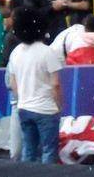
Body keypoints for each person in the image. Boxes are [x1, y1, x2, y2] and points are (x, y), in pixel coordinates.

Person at [7, 11, 66, 164]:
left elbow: (13, 83)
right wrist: (59, 105)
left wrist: (23, 99)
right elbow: (55, 84)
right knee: (49, 150)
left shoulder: (16, 52)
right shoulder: (47, 52)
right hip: (46, 109)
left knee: (29, 149)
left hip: (24, 108)